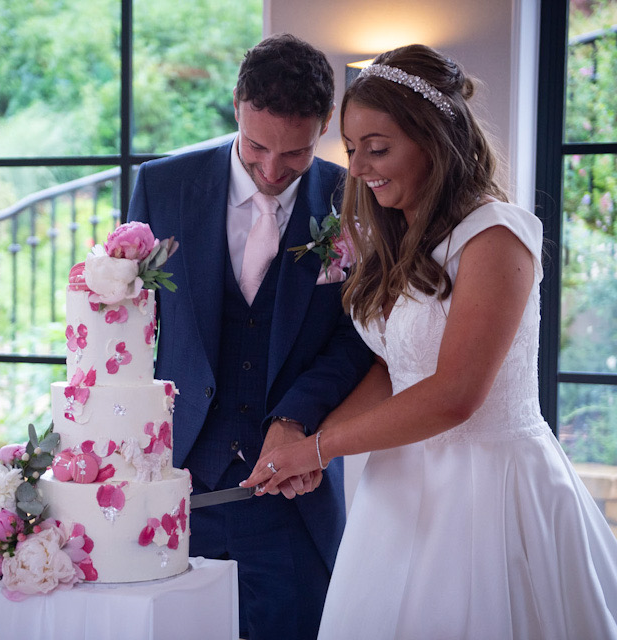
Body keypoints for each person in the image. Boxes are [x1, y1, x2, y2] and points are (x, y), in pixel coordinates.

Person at [243, 43, 617, 638]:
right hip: (399, 488)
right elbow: (397, 371)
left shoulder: (496, 235)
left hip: (487, 493)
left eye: (378, 148)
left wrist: (321, 449)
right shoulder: (401, 234)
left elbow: (453, 395)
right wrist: (310, 439)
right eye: (352, 150)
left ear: (435, 139)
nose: (359, 169)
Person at [128, 34, 372, 640]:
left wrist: (295, 417)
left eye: (296, 153)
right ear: (237, 104)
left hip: (293, 503)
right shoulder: (164, 186)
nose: (271, 170)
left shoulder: (357, 201)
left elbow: (360, 338)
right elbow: (131, 323)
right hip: (178, 491)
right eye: (258, 145)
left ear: (323, 130)